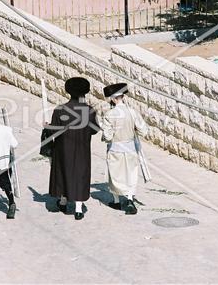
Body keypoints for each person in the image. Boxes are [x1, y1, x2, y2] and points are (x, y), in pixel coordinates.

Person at [46, 77, 99, 220]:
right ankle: (78, 208)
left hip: (63, 148)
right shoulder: (89, 111)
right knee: (80, 175)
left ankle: (63, 201)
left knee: (63, 172)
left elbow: (54, 131)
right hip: (82, 149)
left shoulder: (60, 109)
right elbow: (94, 130)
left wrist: (47, 126)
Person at [101, 83, 148, 215]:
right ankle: (129, 199)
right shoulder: (132, 112)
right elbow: (143, 131)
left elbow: (108, 136)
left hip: (115, 149)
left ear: (112, 99)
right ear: (122, 97)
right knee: (131, 174)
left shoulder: (109, 114)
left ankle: (116, 202)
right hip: (131, 149)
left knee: (115, 176)